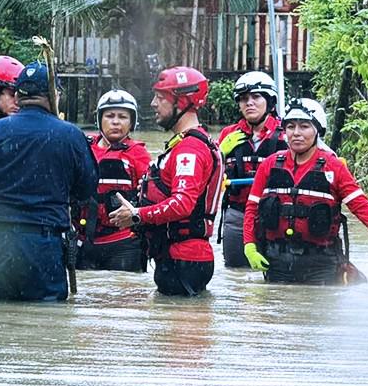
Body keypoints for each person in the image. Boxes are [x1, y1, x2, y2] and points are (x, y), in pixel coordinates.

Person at [0, 61, 97, 301]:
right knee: (45, 326)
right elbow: (87, 189)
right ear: (54, 95)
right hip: (44, 247)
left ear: (18, 95)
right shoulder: (70, 135)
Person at [242, 98, 368, 284]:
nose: (296, 133)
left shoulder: (334, 166)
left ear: (317, 130)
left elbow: (359, 205)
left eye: (304, 126)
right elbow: (252, 208)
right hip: (277, 261)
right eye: (290, 127)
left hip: (321, 264)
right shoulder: (269, 165)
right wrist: (249, 246)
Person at [109, 67, 223, 296]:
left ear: (182, 103)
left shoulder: (189, 150)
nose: (153, 103)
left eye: (160, 98)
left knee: (180, 330)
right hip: (178, 257)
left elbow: (182, 204)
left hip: (184, 260)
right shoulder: (184, 144)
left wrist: (137, 215)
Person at [73, 90, 151, 272]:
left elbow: (150, 196)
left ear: (132, 122)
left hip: (123, 242)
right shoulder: (83, 148)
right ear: (99, 119)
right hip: (83, 240)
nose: (116, 122)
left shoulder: (138, 154)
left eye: (122, 117)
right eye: (110, 116)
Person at [216, 71, 287, 268]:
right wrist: (219, 154)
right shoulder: (228, 134)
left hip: (276, 216)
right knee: (236, 275)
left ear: (270, 102)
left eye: (256, 97)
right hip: (237, 215)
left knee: (277, 276)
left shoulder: (289, 133)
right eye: (244, 99)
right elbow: (207, 175)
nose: (249, 103)